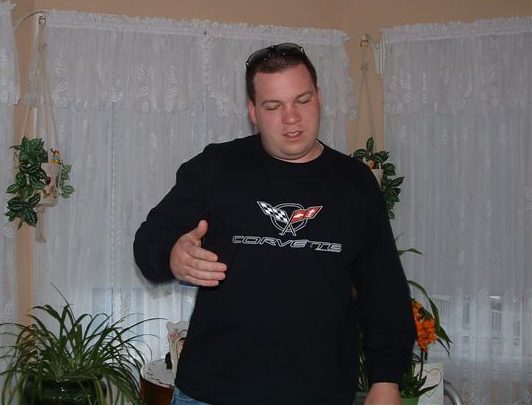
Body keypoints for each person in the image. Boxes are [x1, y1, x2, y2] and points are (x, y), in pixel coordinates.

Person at [134, 43, 415, 405]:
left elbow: (384, 290)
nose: (291, 117)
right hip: (212, 392)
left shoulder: (356, 184)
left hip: (319, 394)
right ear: (253, 111)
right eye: (273, 106)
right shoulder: (216, 167)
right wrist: (171, 255)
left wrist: (387, 379)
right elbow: (149, 240)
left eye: (302, 100)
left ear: (319, 98)